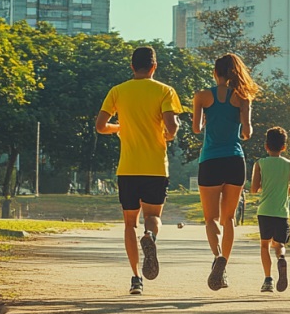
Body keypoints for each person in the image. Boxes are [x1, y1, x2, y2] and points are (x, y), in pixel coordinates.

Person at [96, 46, 183, 296]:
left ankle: (136, 279)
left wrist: (120, 127)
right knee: (153, 217)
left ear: (132, 67)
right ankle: (150, 236)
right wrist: (168, 134)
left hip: (128, 168)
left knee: (128, 224)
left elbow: (101, 126)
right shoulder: (165, 91)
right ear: (154, 67)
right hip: (155, 167)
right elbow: (171, 125)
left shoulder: (117, 91)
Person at [192, 53, 259, 291]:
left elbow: (197, 129)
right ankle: (224, 267)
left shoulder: (201, 96)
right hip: (234, 160)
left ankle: (217, 255)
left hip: (210, 160)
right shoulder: (243, 97)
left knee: (210, 219)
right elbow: (247, 133)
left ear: (215, 72)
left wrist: (210, 120)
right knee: (228, 218)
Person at [251, 126, 290, 293]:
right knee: (279, 243)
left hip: (265, 210)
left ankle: (268, 279)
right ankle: (281, 258)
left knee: (265, 245)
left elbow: (253, 188)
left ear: (266, 146)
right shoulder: (289, 164)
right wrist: (287, 190)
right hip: (281, 212)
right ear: (284, 147)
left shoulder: (260, 164)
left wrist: (264, 188)